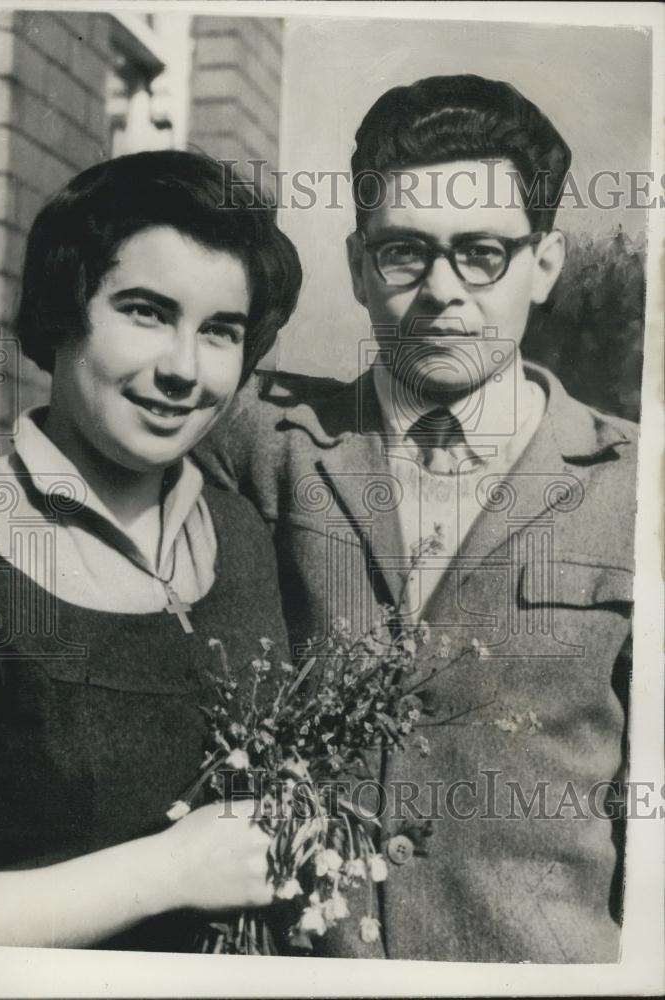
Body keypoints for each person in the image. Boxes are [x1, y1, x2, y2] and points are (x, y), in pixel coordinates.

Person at [195, 75, 637, 962]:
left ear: (543, 264)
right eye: (404, 252)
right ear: (360, 266)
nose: (442, 289)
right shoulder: (254, 439)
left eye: (483, 252)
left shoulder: (638, 482)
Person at [0, 150, 302, 950]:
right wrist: (169, 872)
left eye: (220, 331)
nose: (183, 369)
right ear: (61, 310)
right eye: (146, 312)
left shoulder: (244, 535)